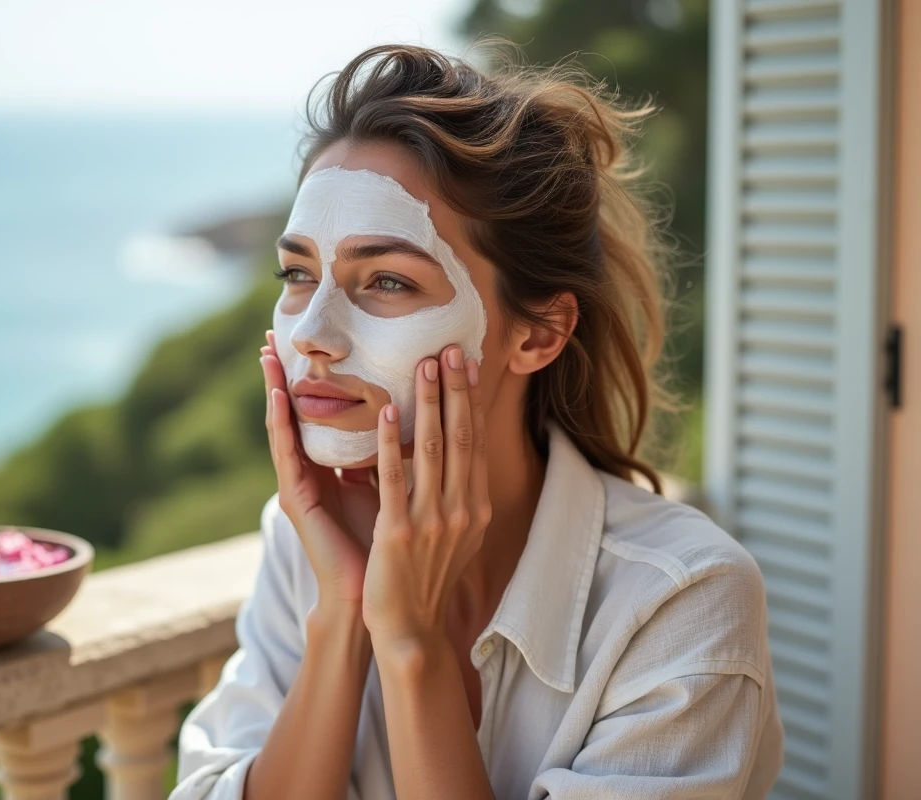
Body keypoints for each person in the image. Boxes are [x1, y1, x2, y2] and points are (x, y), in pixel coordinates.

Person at [170, 40, 783, 800]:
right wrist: (341, 616)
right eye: (297, 274)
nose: (309, 334)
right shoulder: (306, 542)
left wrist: (410, 646)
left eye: (388, 280)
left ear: (538, 335)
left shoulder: (684, 601)